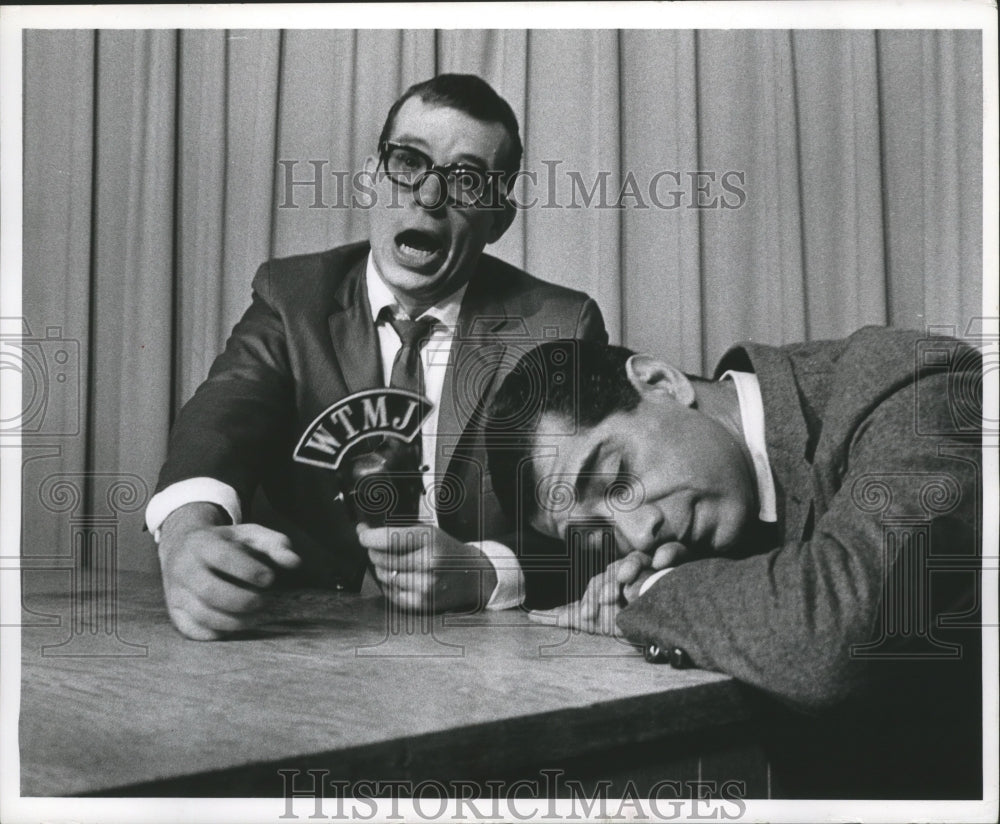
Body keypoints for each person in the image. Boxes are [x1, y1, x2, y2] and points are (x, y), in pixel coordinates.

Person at [147, 74, 608, 641]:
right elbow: (222, 419)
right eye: (409, 162)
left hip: (486, 645)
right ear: (370, 180)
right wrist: (186, 532)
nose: (428, 198)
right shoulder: (292, 297)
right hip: (310, 634)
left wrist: (481, 570)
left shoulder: (558, 326)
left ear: (498, 219)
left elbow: (595, 523)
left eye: (466, 181)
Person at [485, 328, 983, 798]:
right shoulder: (690, 510)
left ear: (661, 382)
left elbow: (841, 633)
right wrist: (479, 569)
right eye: (598, 536)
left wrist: (653, 589)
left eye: (619, 480)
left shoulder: (910, 382)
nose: (638, 533)